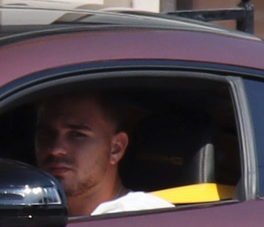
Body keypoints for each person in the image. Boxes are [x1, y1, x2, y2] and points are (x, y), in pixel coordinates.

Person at [33, 89, 172, 218]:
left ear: (116, 148)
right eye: (46, 134)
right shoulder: (29, 214)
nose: (55, 149)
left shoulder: (145, 220)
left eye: (76, 135)